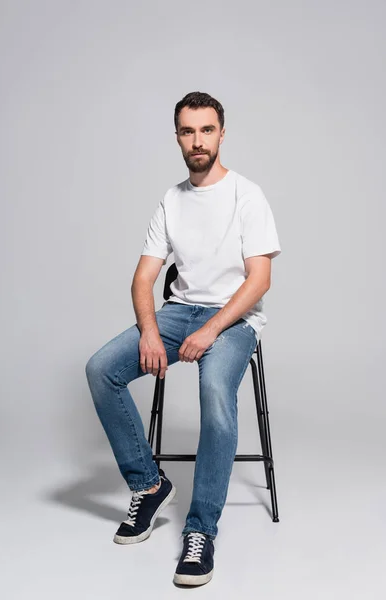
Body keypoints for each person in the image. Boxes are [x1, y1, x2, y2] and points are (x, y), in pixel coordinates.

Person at [85, 90, 282, 587]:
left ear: (221, 134)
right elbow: (142, 278)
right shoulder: (171, 199)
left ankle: (201, 531)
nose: (198, 140)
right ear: (177, 137)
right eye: (188, 131)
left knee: (214, 393)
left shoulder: (247, 195)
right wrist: (151, 332)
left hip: (233, 319)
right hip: (179, 312)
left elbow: (258, 281)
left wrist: (212, 330)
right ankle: (149, 484)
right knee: (100, 369)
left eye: (207, 130)